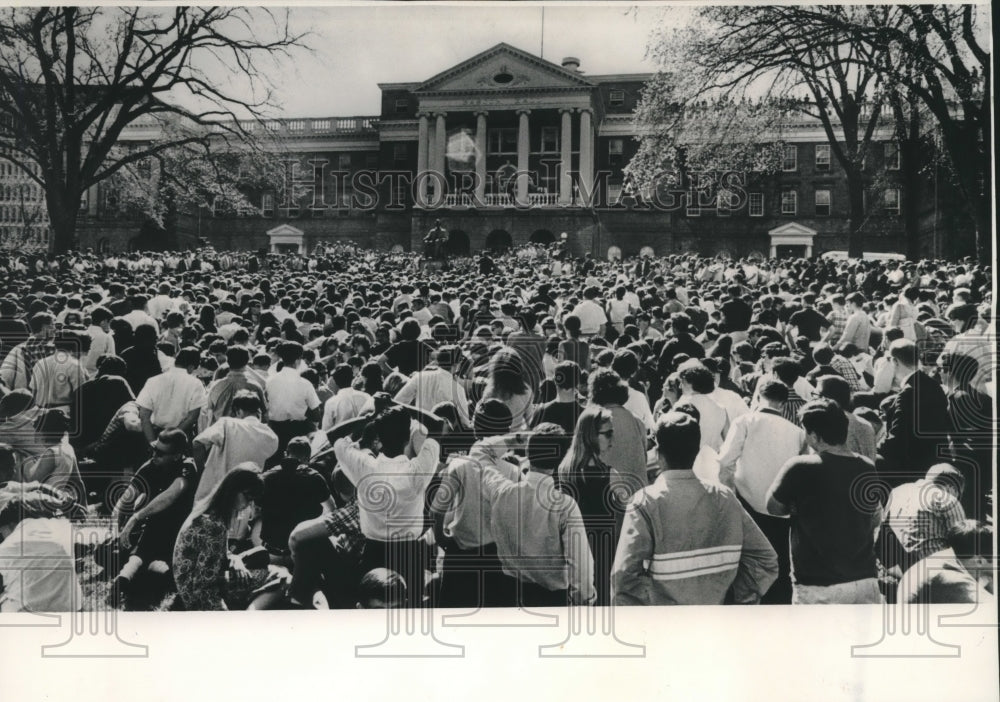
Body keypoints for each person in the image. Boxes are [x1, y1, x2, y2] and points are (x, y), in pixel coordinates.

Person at [611, 412, 778, 605]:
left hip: (668, 626)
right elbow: (765, 560)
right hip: (717, 624)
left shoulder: (644, 502)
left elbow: (623, 577)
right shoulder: (725, 497)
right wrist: (736, 602)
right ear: (697, 451)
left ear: (658, 454)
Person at [766, 399, 883, 604]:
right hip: (864, 580)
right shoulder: (866, 466)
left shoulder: (799, 466)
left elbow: (773, 507)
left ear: (813, 435)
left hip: (818, 585)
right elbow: (874, 518)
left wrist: (798, 506)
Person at [333, 406, 440, 607]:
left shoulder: (364, 467)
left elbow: (335, 436)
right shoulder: (416, 470)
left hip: (372, 552)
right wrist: (401, 405)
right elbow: (438, 425)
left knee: (370, 613)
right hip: (409, 555)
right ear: (408, 438)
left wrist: (368, 418)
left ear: (378, 438)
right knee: (409, 615)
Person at [483, 425, 596, 607]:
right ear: (561, 460)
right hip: (550, 600)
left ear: (528, 452)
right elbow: (580, 564)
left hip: (507, 595)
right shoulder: (564, 506)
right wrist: (585, 599)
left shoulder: (501, 491)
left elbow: (480, 452)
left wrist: (517, 438)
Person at [717, 379, 805, 604]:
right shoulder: (797, 432)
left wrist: (729, 497)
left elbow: (725, 462)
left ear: (757, 397)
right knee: (778, 562)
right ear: (784, 404)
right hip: (780, 507)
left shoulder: (745, 421)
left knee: (749, 562)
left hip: (747, 503)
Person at [109, 429, 200, 607]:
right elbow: (126, 497)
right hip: (152, 528)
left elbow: (171, 495)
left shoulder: (187, 466)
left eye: (160, 453)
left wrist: (136, 517)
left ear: (177, 455)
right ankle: (139, 571)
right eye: (153, 449)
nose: (154, 456)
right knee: (106, 552)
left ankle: (135, 571)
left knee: (155, 559)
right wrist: (117, 529)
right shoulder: (151, 465)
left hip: (179, 529)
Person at [172, 464, 273, 610]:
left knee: (263, 555)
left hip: (186, 585)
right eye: (247, 496)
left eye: (252, 499)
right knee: (280, 575)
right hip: (192, 593)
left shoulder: (208, 511)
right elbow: (203, 587)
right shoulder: (214, 526)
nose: (249, 504)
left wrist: (236, 559)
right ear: (233, 489)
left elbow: (214, 556)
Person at [557, 408, 621, 605]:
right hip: (603, 551)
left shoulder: (564, 470)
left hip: (573, 549)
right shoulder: (610, 475)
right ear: (592, 436)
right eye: (608, 433)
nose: (612, 438)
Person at [878, 339, 954, 485]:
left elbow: (897, 437)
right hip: (934, 463)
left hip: (911, 469)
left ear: (895, 361)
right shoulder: (934, 385)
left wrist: (873, 450)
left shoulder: (907, 392)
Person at [191, 391, 279, 506]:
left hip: (213, 492)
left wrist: (202, 473)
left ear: (238, 411)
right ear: (259, 411)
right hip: (243, 500)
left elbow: (197, 443)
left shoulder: (227, 423)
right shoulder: (271, 436)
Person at [135, 347, 207, 445]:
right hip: (181, 435)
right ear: (191, 367)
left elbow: (144, 416)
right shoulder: (195, 383)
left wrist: (152, 442)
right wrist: (171, 437)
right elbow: (193, 416)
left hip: (154, 433)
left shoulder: (153, 380)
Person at [265, 341, 322, 460]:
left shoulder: (270, 381)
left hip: (275, 431)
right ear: (298, 360)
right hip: (298, 433)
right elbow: (316, 414)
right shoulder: (305, 384)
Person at [392, 345, 470, 429]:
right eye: (461, 360)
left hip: (419, 427)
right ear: (457, 364)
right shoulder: (458, 389)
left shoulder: (420, 377)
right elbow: (464, 421)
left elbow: (398, 401)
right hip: (442, 434)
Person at [529, 360, 585, 434]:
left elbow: (532, 439)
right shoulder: (586, 415)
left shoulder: (541, 412)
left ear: (555, 381)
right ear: (578, 383)